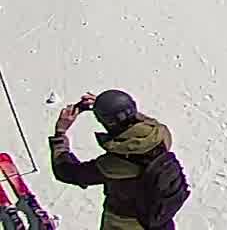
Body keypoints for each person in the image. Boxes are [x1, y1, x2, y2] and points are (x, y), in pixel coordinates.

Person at [49, 90, 186, 230]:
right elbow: (145, 123)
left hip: (126, 223)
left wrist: (60, 134)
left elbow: (66, 172)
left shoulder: (114, 165)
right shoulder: (162, 135)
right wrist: (114, 107)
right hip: (160, 218)